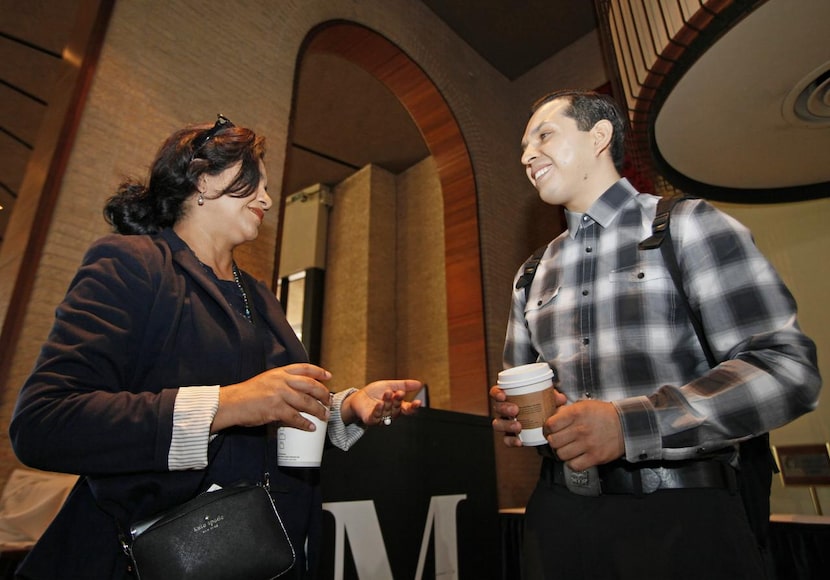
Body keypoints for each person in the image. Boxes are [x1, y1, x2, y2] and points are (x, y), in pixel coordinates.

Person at [8, 114, 422, 579]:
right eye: (253, 183)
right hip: (152, 558)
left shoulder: (260, 295)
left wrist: (346, 408)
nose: (266, 199)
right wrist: (226, 405)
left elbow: (270, 421)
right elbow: (44, 423)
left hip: (268, 553)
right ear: (201, 179)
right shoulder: (132, 263)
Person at [490, 90, 821, 579]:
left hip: (686, 521)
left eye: (543, 135)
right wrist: (513, 413)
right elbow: (519, 383)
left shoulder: (689, 226)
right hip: (558, 519)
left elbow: (787, 369)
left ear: (599, 136)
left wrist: (630, 426)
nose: (526, 155)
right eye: (523, 146)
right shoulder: (531, 271)